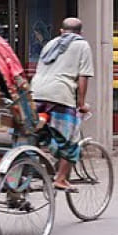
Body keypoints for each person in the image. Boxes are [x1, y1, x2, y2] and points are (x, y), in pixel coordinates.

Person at [30, 17, 93, 192]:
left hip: (36, 92)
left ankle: (31, 165)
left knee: (37, 132)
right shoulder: (82, 45)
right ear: (80, 32)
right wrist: (81, 103)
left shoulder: (50, 44)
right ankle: (61, 179)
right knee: (71, 139)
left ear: (61, 31)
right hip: (60, 95)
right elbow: (83, 77)